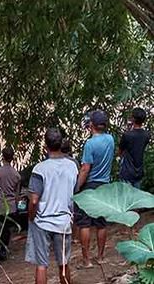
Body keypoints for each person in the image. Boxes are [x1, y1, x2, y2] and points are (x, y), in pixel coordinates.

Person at [25, 128, 78, 284]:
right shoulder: (72, 167)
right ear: (61, 143)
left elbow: (34, 200)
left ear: (45, 146)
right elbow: (74, 194)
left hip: (42, 222)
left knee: (42, 265)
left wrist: (31, 217)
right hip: (63, 222)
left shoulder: (40, 169)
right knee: (63, 264)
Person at [76, 110, 114, 269]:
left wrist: (77, 187)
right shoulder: (111, 139)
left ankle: (87, 260)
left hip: (90, 185)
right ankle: (101, 256)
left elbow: (85, 169)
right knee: (101, 223)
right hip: (104, 185)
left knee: (84, 223)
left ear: (91, 124)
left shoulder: (90, 144)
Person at [119, 107, 150, 189]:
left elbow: (120, 151)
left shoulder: (127, 135)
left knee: (125, 198)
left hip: (127, 171)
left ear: (133, 119)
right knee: (136, 197)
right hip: (138, 171)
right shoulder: (146, 135)